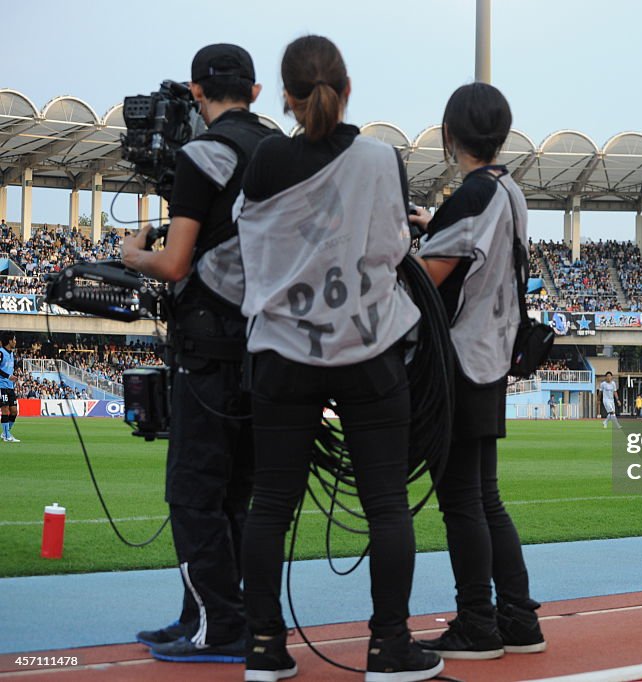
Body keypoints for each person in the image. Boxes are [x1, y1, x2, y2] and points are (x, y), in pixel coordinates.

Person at [235, 35, 442, 682]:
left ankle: (264, 646)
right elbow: (391, 248)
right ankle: (389, 647)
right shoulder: (382, 158)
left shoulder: (267, 158)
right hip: (368, 345)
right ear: (347, 89)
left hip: (283, 349)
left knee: (269, 502)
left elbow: (250, 237)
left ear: (288, 98)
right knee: (385, 502)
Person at [121, 43, 278, 663]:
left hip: (209, 349)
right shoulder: (279, 151)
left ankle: (220, 625)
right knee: (234, 491)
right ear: (257, 93)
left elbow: (175, 262)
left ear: (195, 92)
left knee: (192, 493)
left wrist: (134, 255)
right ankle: (206, 616)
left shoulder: (202, 154)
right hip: (264, 348)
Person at [411, 82, 546, 661]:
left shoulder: (471, 196)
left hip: (459, 361)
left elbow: (424, 279)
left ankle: (476, 623)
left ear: (449, 135)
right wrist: (431, 223)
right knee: (483, 497)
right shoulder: (507, 188)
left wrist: (401, 243)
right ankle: (516, 618)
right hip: (489, 356)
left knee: (461, 500)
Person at [0, 332, 20, 442]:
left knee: (14, 411)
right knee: (5, 409)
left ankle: (5, 433)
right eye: (14, 339)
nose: (15, 342)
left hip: (10, 387)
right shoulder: (1, 352)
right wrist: (8, 376)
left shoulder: (12, 354)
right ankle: (7, 436)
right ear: (9, 341)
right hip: (1, 385)